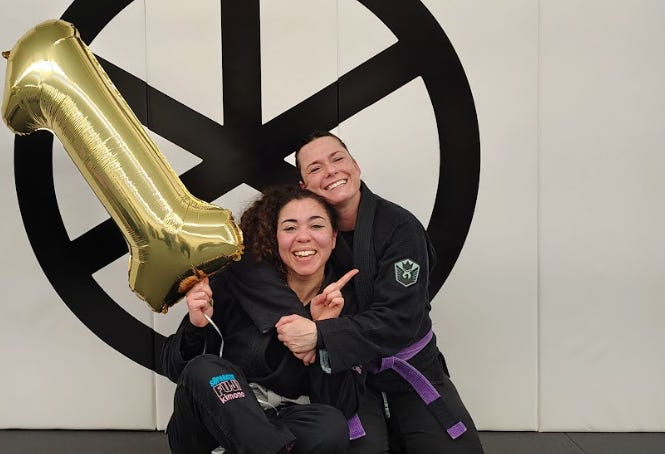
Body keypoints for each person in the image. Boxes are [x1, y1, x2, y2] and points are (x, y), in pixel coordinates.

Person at [229, 131, 484, 453]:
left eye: (337, 159)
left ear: (356, 166)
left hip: (409, 369)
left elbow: (400, 319)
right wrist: (298, 324)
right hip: (345, 374)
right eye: (315, 168)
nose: (330, 171)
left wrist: (319, 335)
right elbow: (249, 263)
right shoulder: (306, 233)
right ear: (304, 186)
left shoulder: (400, 228)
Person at [162, 185, 365, 454]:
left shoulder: (344, 302)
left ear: (334, 237)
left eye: (316, 226)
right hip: (217, 422)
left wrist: (324, 334)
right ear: (274, 237)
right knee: (205, 369)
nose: (303, 237)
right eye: (290, 228)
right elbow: (177, 370)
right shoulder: (234, 283)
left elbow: (342, 404)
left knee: (330, 425)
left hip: (281, 421)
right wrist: (196, 327)